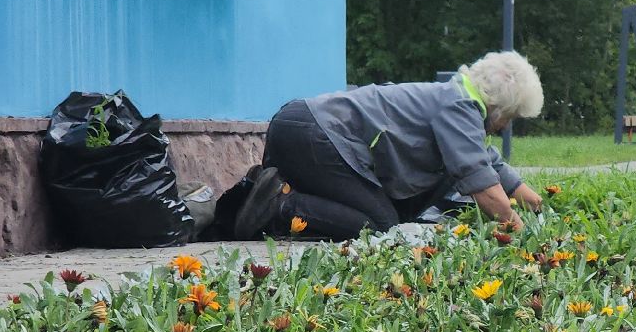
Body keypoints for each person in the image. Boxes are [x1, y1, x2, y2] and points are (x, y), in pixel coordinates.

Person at [233, 52, 546, 239]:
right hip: (312, 134)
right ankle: (279, 205)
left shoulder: (453, 98)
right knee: (380, 224)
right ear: (501, 106)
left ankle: (277, 193)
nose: (507, 125)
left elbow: (483, 159)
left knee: (382, 213)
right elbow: (483, 184)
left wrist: (530, 198)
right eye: (512, 116)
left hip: (302, 128)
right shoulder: (459, 107)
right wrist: (518, 233)